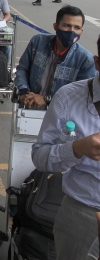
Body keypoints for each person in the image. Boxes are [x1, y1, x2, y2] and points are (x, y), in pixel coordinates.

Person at [31, 36, 100, 259]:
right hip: (83, 213)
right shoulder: (68, 98)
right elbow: (40, 157)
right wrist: (76, 149)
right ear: (97, 63)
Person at [15, 5, 96, 110]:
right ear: (55, 26)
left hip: (60, 116)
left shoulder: (86, 60)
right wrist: (23, 91)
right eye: (67, 25)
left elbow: (82, 95)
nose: (71, 31)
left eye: (77, 28)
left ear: (81, 31)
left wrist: (47, 99)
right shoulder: (37, 42)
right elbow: (22, 68)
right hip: (29, 108)